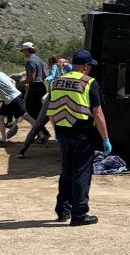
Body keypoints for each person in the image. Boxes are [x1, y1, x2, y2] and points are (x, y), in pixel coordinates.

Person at [47, 49, 111, 226]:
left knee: (66, 171)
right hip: (81, 132)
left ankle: (63, 210)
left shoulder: (56, 82)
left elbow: (51, 111)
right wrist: (105, 138)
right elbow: (97, 113)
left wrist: (57, 132)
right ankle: (80, 214)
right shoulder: (89, 83)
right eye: (89, 66)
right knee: (81, 172)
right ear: (84, 66)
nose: (90, 69)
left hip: (62, 130)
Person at [20, 42, 51, 141]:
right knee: (39, 111)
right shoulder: (39, 60)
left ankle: (43, 132)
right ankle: (43, 133)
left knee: (29, 110)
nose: (23, 53)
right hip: (42, 86)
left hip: (35, 87)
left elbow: (31, 77)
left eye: (23, 50)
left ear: (26, 50)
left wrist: (22, 83)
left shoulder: (30, 61)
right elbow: (44, 76)